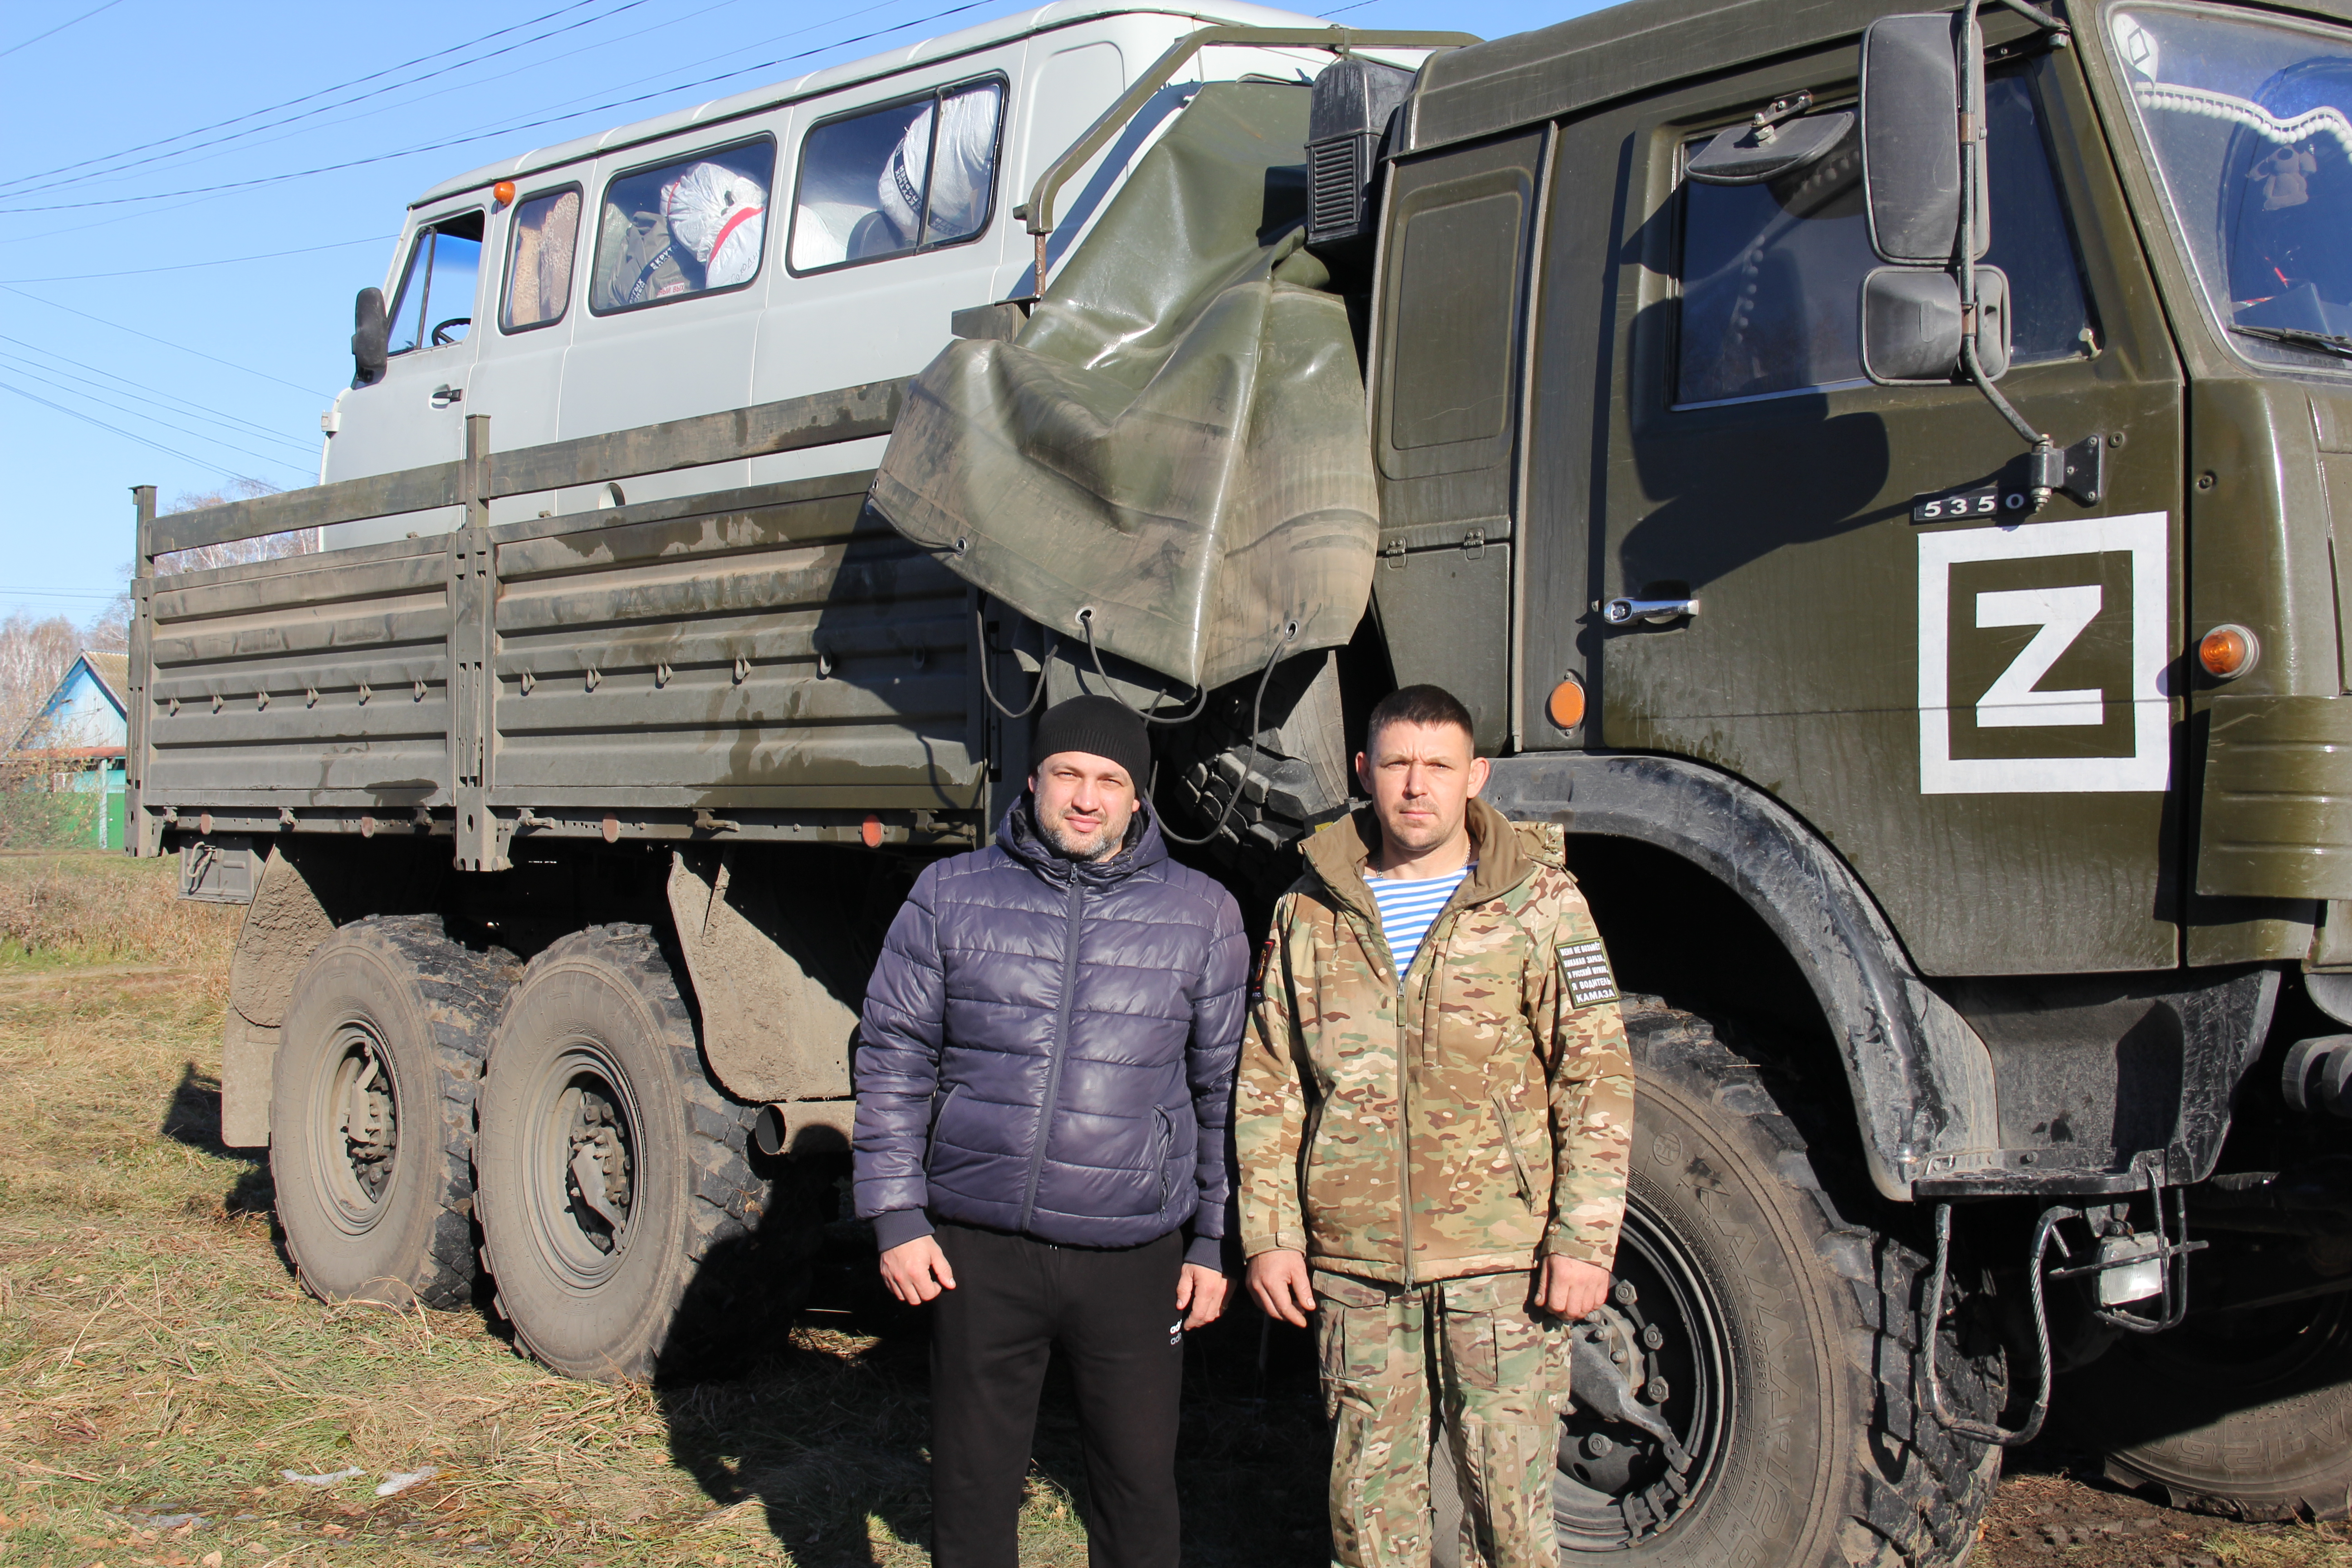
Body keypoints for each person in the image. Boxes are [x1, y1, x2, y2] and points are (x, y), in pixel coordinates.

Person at [1235, 683, 1635, 1568]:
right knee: (1369, 1525)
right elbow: (1271, 1080)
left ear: (1475, 777)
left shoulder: (1542, 902)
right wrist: (1270, 1237)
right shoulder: (1309, 910)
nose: (1417, 786)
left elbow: (1596, 1075)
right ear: (1365, 773)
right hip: (1357, 1275)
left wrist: (1584, 1240)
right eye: (1399, 764)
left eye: (1439, 766)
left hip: (1504, 1272)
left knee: (1512, 1526)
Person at [853, 694, 1247, 1568]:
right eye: (1068, 773)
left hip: (1135, 1256)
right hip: (977, 1249)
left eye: (1110, 780)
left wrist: (1215, 1240)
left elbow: (1223, 1090)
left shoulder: (1204, 913)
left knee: (1138, 1491)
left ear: (1139, 797)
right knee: (970, 1490)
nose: (1086, 797)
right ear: (1033, 781)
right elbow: (892, 1057)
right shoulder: (950, 895)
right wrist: (898, 1216)